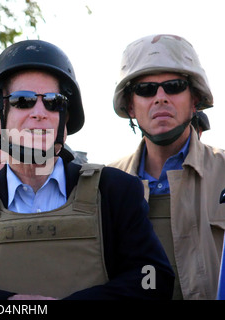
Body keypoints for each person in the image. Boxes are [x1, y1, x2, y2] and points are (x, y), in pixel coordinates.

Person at [0, 39, 174, 300]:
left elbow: (154, 278)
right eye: (23, 101)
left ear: (66, 118)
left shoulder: (116, 192)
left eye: (54, 102)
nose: (40, 112)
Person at [109, 34, 225, 300]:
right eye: (146, 90)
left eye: (173, 86)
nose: (160, 98)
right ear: (130, 106)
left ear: (194, 99)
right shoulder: (106, 185)